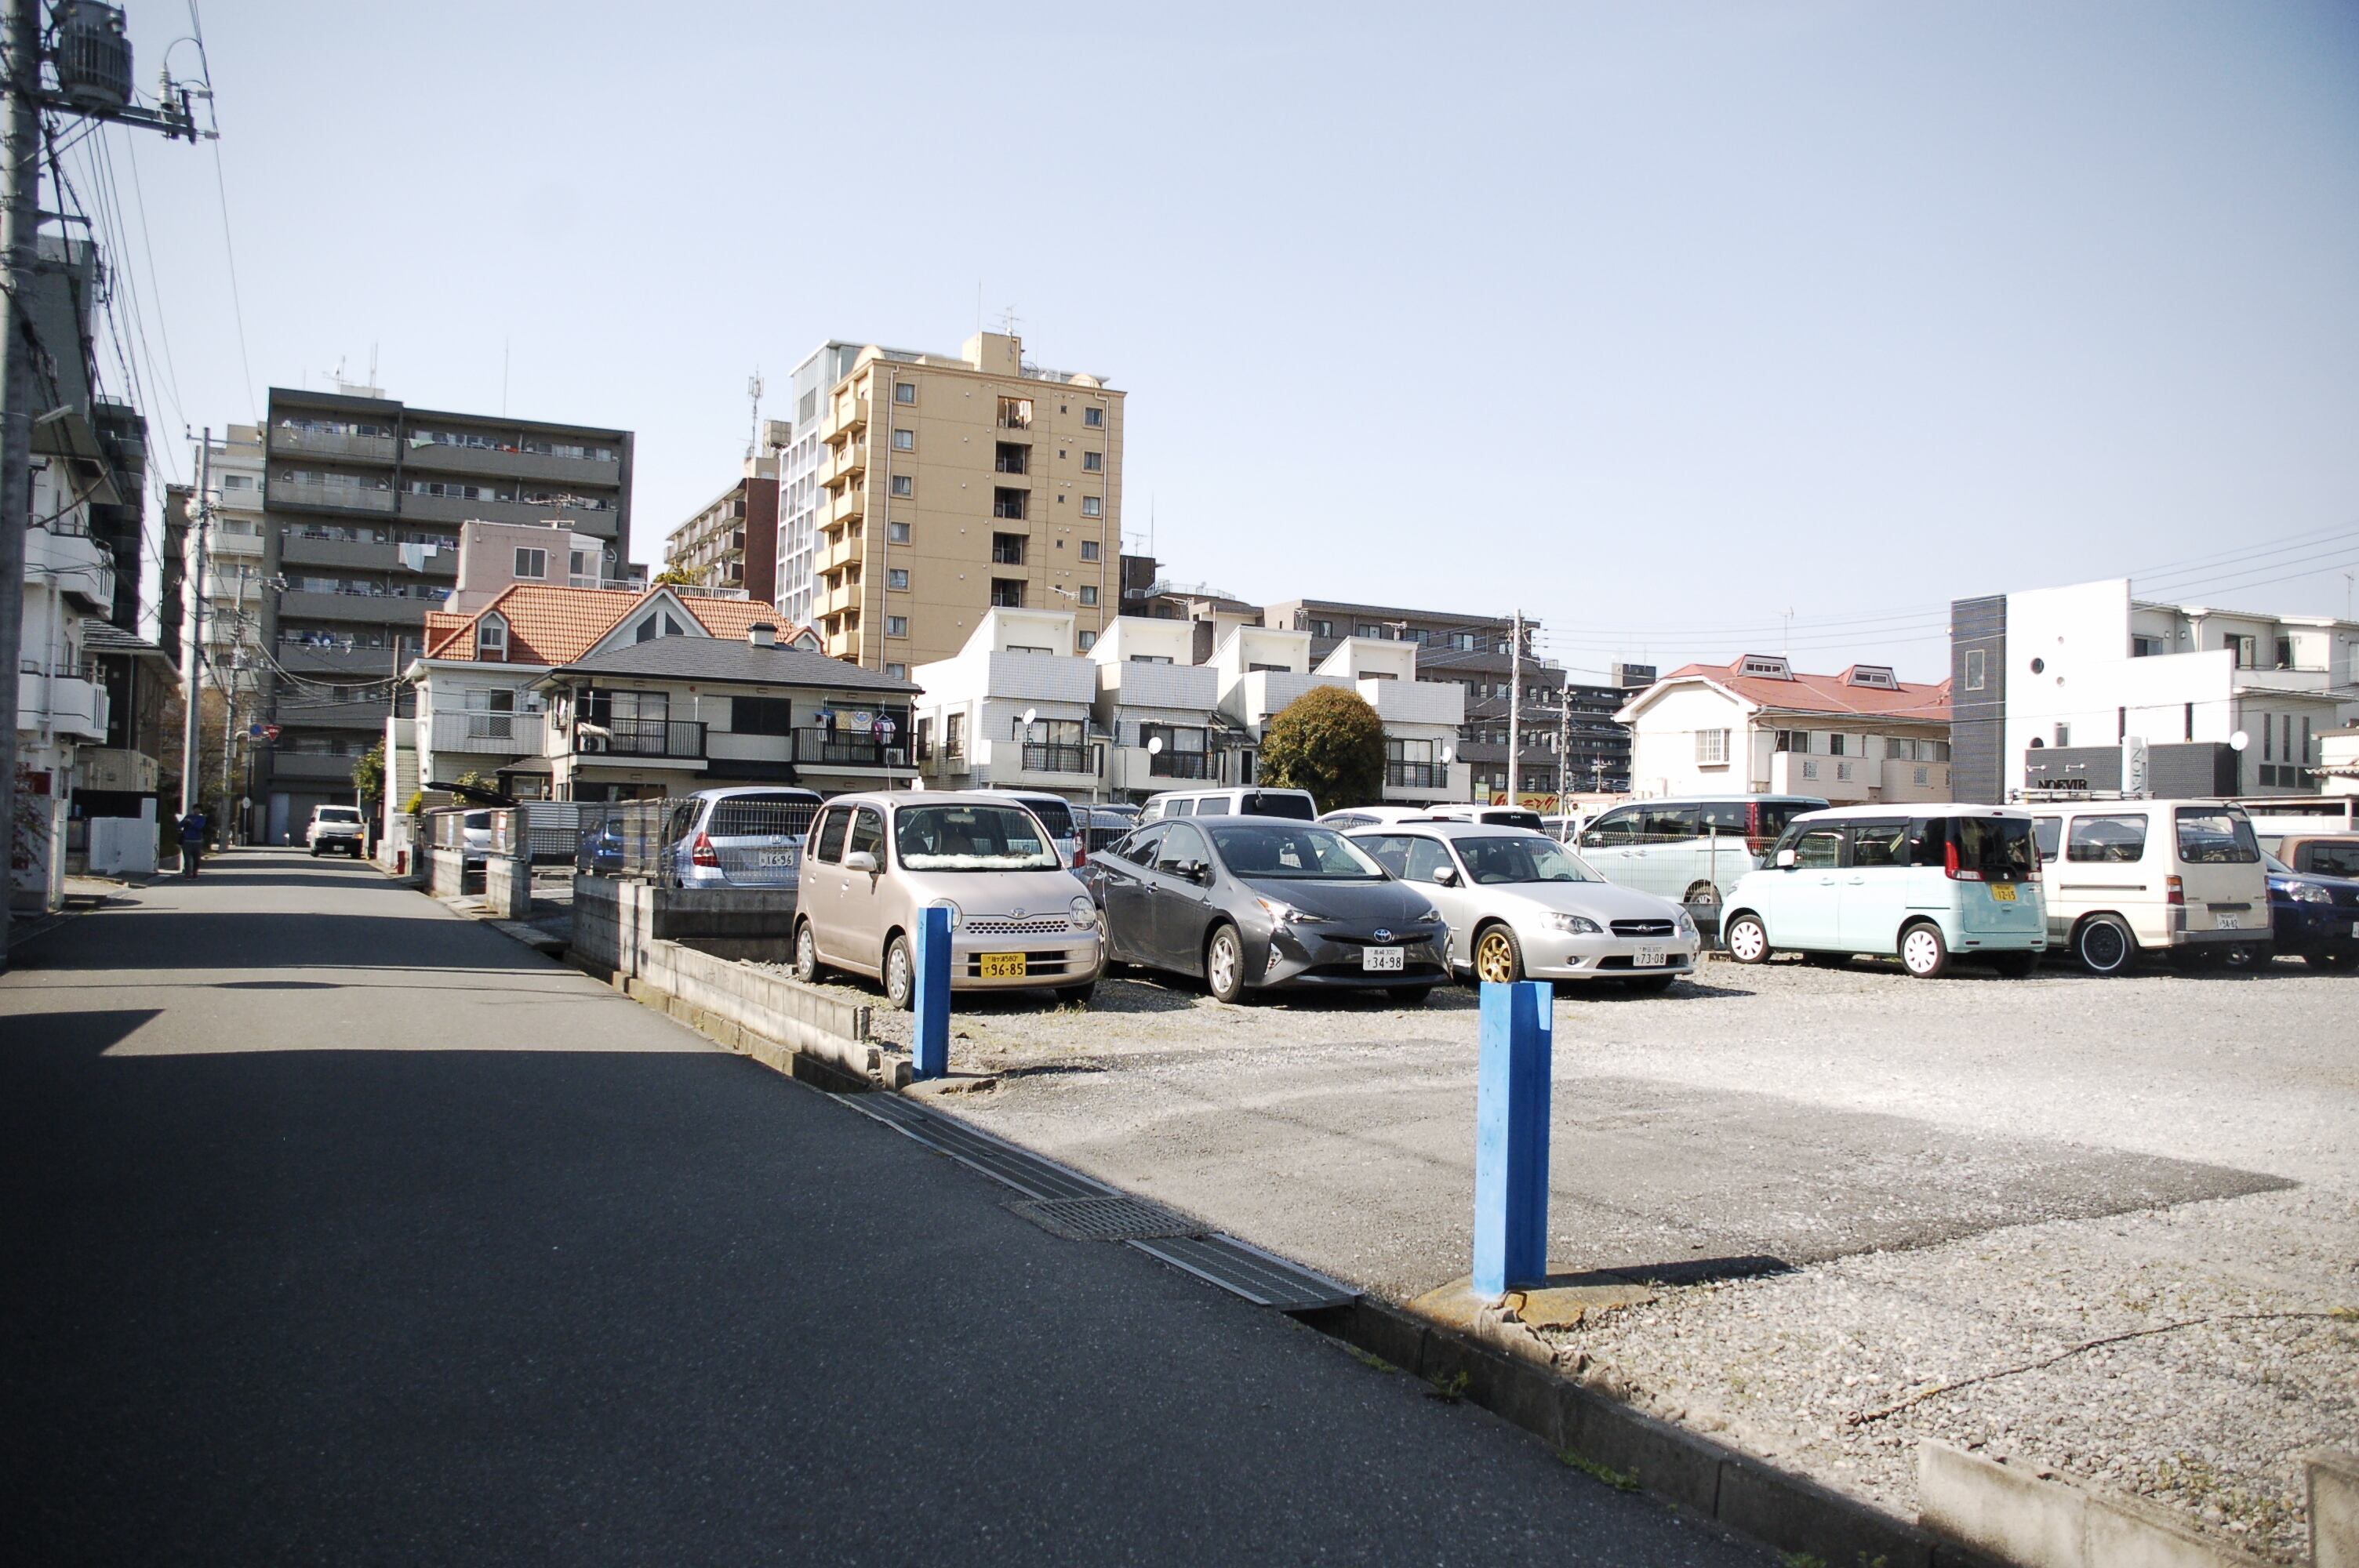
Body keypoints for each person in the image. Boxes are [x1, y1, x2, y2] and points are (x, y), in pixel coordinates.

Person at [176, 805, 208, 877]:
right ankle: (187, 874)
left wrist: (191, 823)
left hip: (197, 841)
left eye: (198, 809)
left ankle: (195, 872)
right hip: (187, 840)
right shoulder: (188, 817)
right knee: (187, 859)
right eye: (195, 809)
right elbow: (179, 826)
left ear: (201, 811)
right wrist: (184, 822)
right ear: (193, 810)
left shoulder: (202, 818)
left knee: (197, 859)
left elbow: (199, 827)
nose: (197, 811)